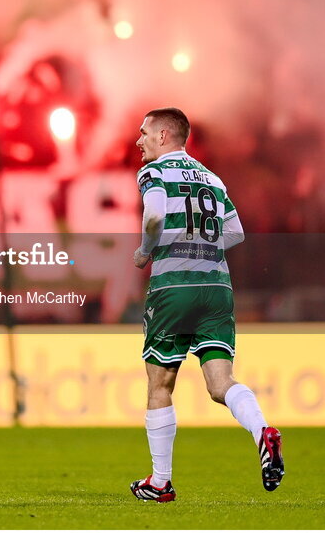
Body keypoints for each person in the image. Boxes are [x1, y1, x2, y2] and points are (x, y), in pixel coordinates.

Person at [128, 108, 284, 503]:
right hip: (216, 287)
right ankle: (262, 430)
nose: (138, 140)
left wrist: (147, 252)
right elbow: (235, 231)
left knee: (160, 383)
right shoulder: (211, 178)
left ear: (164, 136)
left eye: (144, 132)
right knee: (220, 383)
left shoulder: (154, 172)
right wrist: (201, 246)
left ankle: (161, 482)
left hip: (174, 287)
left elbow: (155, 215)